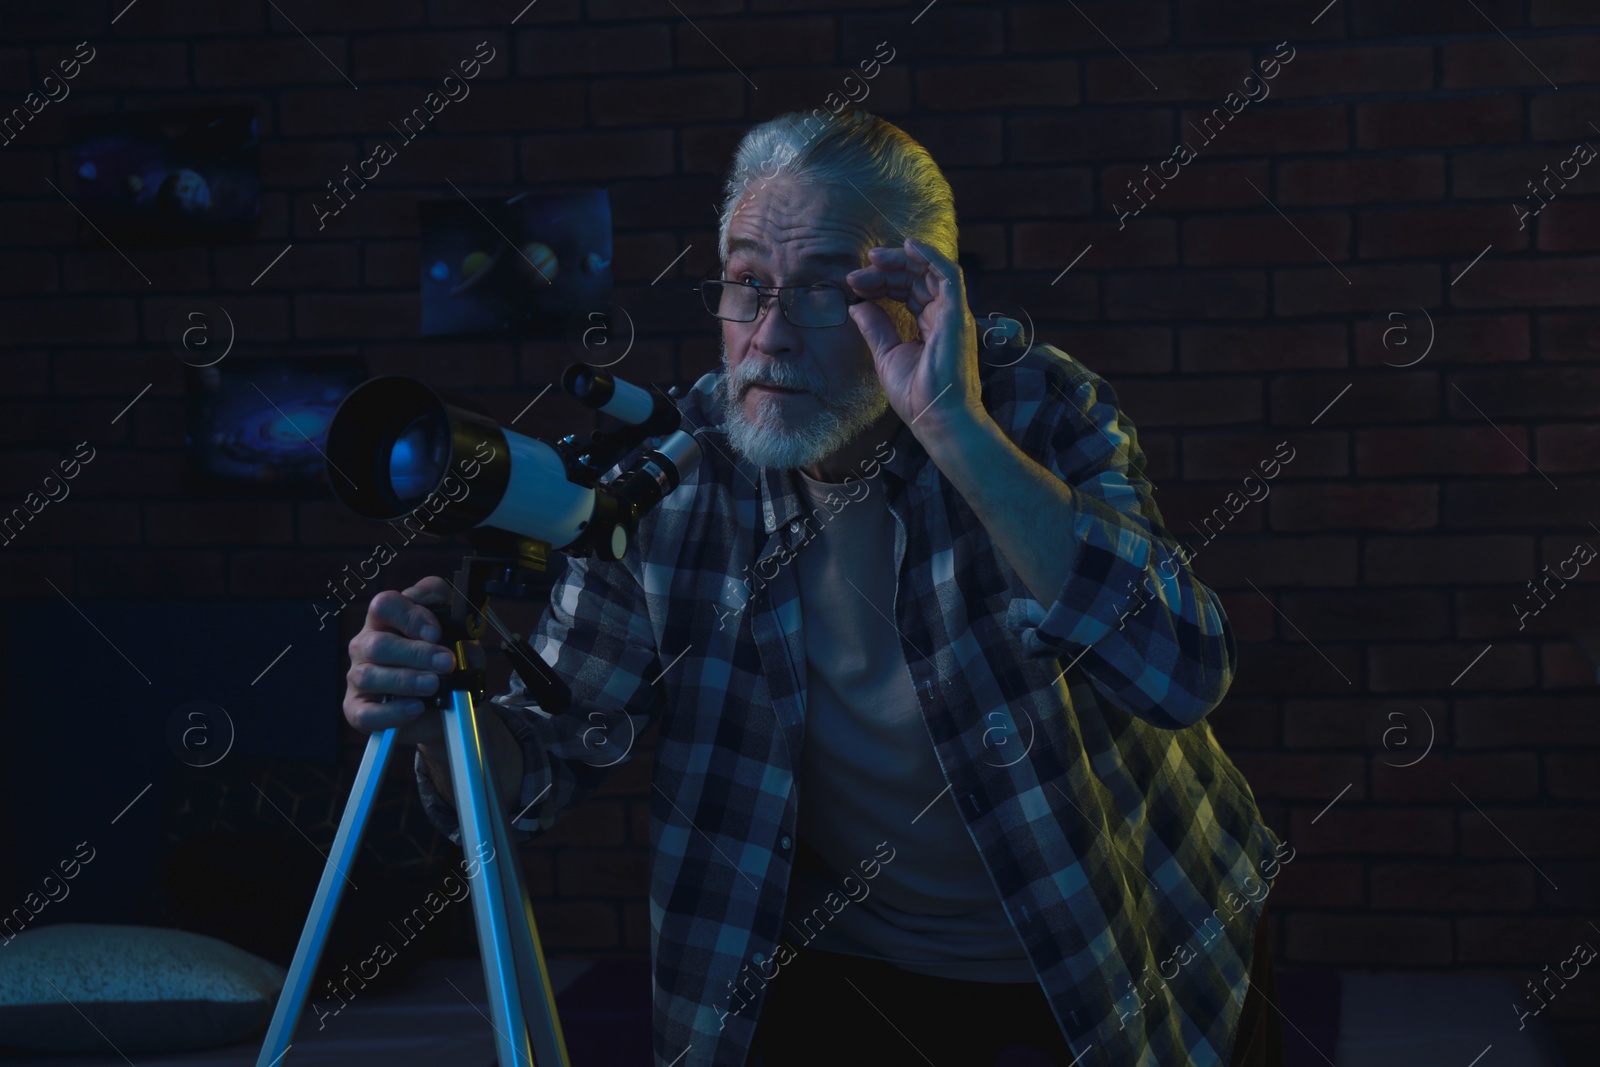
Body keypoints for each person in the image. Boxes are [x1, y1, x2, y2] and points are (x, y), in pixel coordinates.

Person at [343, 107, 1285, 1067]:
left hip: (1123, 931)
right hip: (846, 954)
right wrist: (435, 717)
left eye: (826, 291)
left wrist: (954, 428)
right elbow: (538, 773)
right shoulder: (678, 474)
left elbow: (1181, 670)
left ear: (923, 301)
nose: (771, 337)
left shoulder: (1035, 409)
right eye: (748, 285)